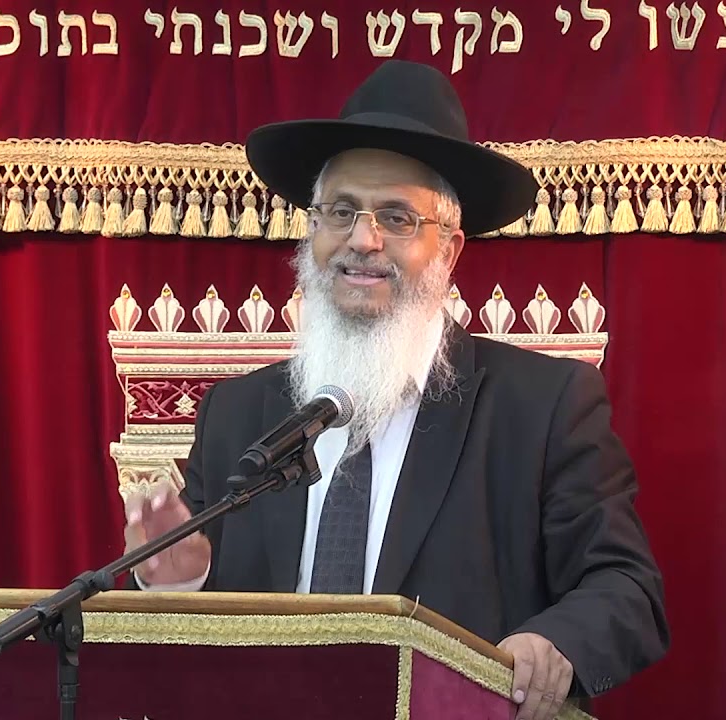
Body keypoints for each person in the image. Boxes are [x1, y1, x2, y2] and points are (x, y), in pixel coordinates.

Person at [122, 60, 669, 720]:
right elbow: (208, 637)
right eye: (341, 211)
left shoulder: (542, 406)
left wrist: (553, 644)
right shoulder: (238, 415)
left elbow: (626, 587)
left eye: (398, 217)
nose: (363, 239)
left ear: (451, 250)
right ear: (313, 233)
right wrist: (184, 579)